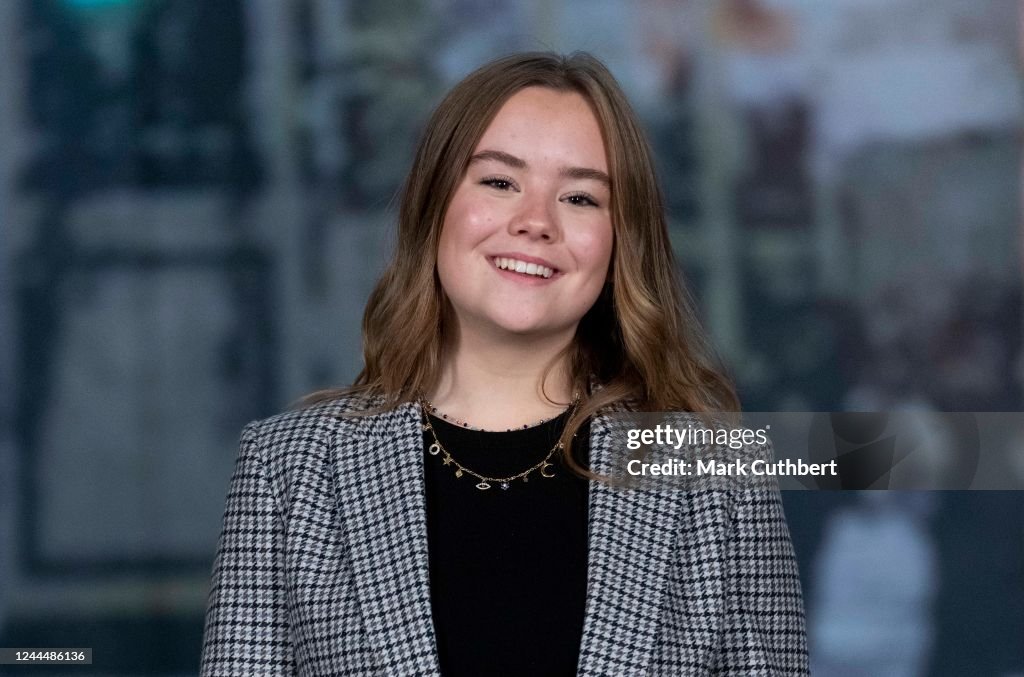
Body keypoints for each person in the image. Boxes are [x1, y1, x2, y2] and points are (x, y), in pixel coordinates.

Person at [200, 51, 808, 676]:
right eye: (499, 182)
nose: (536, 223)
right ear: (433, 206)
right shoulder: (288, 470)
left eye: (579, 197)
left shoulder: (715, 471)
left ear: (622, 240)